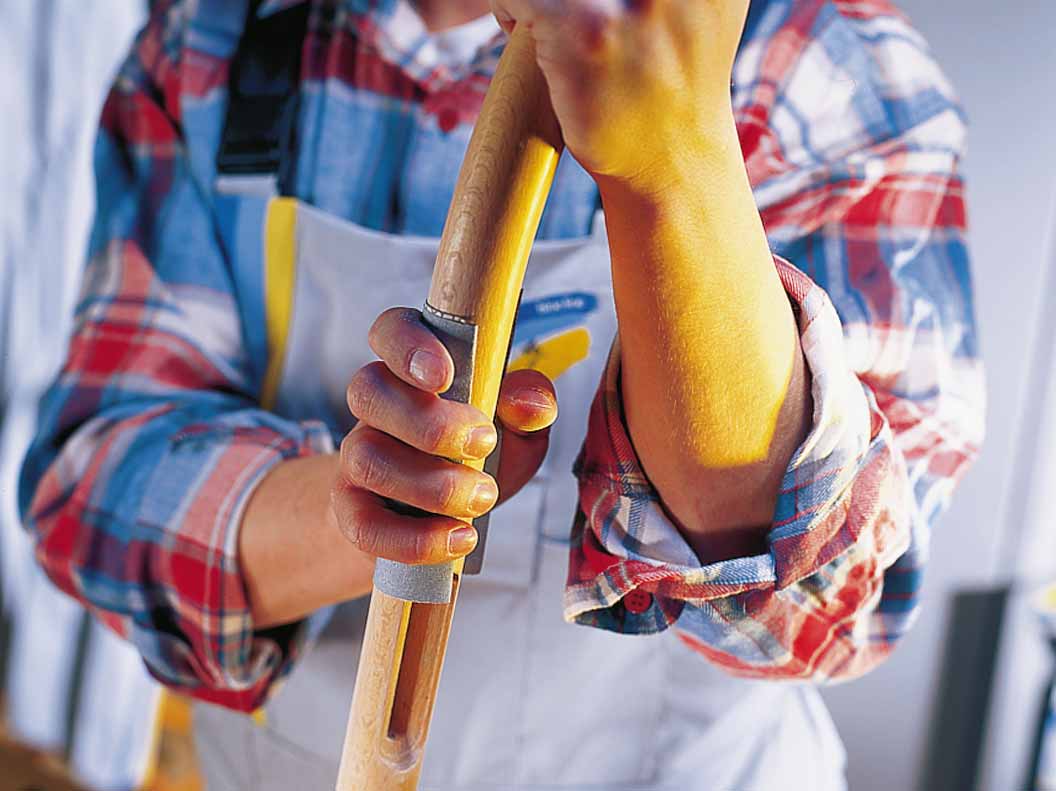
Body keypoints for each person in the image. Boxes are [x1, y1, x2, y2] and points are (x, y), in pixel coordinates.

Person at [19, 0, 984, 788]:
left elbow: (835, 602)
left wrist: (676, 154)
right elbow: (92, 485)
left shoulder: (835, 71)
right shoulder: (213, 44)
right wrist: (357, 508)